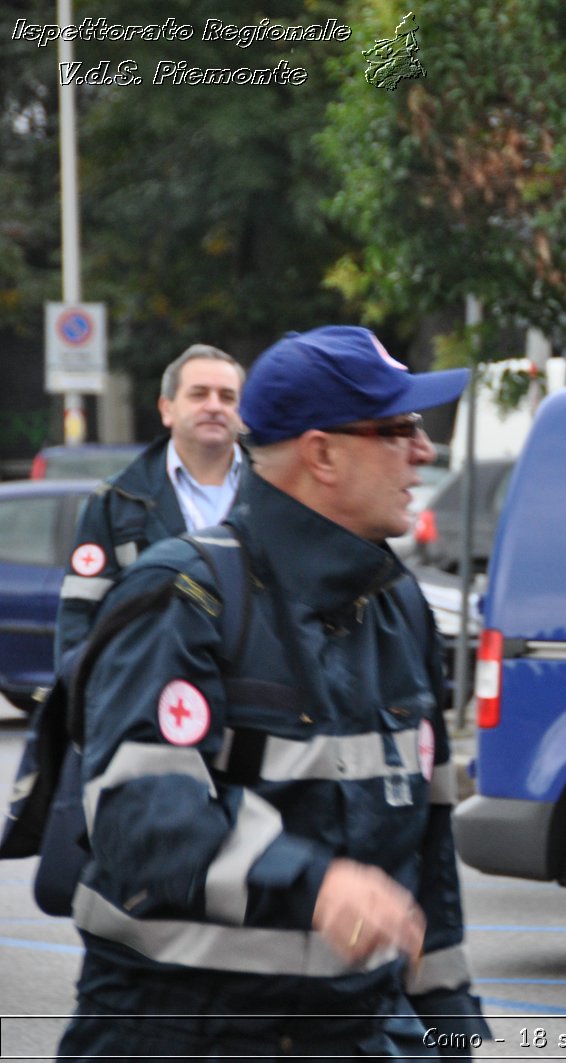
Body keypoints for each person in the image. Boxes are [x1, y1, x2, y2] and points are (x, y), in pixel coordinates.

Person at [57, 326, 490, 1058]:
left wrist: (450, 1034)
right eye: (399, 429)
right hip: (179, 1029)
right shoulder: (183, 591)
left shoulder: (400, 606)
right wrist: (315, 882)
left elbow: (426, 857)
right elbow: (140, 813)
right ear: (321, 453)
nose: (423, 451)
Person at [55, 343, 248, 665]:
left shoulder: (274, 496)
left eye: (227, 397)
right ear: (166, 409)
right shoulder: (116, 502)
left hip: (252, 701)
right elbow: (79, 618)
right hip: (149, 693)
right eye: (199, 394)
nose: (214, 406)